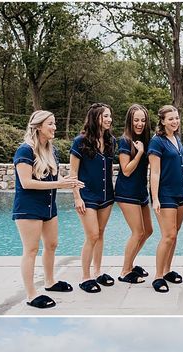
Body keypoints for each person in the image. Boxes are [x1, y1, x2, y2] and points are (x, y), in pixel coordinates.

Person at [12, 110, 83, 308]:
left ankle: (50, 282)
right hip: (28, 208)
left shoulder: (52, 150)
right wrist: (59, 185)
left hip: (48, 206)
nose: (54, 127)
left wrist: (67, 182)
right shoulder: (25, 151)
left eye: (54, 123)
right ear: (38, 127)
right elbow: (26, 183)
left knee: (52, 244)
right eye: (50, 124)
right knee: (31, 250)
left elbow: (51, 179)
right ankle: (31, 294)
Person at [70, 103, 116, 294]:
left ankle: (97, 272)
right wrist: (77, 198)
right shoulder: (80, 142)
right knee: (92, 235)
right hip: (87, 196)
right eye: (105, 116)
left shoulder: (111, 140)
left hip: (106, 195)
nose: (109, 119)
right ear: (95, 117)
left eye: (110, 116)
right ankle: (85, 277)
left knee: (101, 233)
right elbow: (73, 172)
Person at [148, 105, 183, 293]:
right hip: (165, 195)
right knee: (168, 235)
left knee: (175, 235)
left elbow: (176, 164)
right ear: (162, 121)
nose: (175, 121)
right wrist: (155, 198)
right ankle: (158, 276)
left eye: (176, 118)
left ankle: (167, 270)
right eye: (170, 118)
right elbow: (155, 172)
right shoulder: (157, 142)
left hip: (181, 194)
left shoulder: (176, 139)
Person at [115, 103, 153, 284]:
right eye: (136, 120)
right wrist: (139, 154)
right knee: (138, 232)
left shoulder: (146, 140)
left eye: (143, 120)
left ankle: (130, 264)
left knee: (148, 231)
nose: (139, 123)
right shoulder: (125, 141)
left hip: (141, 192)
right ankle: (124, 271)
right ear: (130, 121)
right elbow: (126, 170)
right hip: (127, 192)